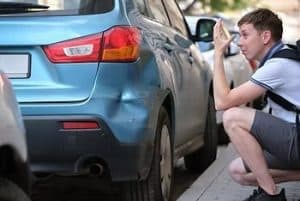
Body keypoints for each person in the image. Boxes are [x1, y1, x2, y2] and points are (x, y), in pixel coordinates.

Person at [213, 8, 300, 201]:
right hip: (294, 137)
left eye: (245, 35)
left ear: (265, 36)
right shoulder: (281, 57)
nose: (239, 42)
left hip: (297, 138)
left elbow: (222, 102)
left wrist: (218, 54)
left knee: (233, 117)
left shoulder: (278, 65)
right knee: (237, 171)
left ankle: (271, 194)